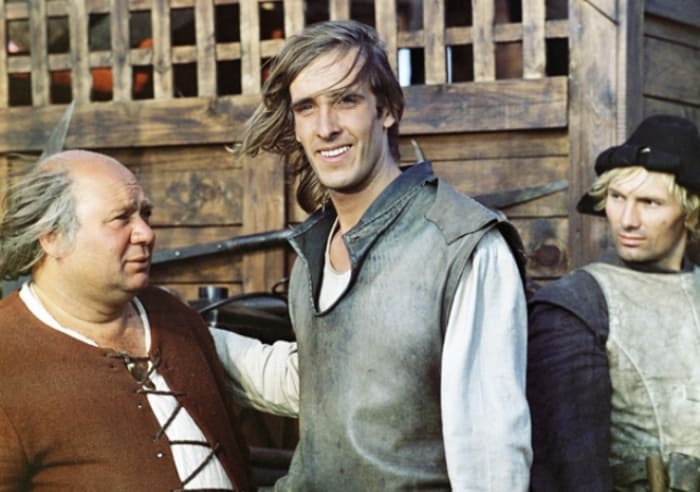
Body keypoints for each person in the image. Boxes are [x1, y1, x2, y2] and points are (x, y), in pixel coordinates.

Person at [237, 19, 531, 490]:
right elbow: (321, 384)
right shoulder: (314, 248)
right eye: (307, 107)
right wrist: (177, 331)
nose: (326, 127)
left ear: (388, 109)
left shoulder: (462, 243)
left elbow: (491, 454)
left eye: (345, 100)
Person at [0, 149, 255, 491]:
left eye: (145, 215)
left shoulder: (173, 316)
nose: (146, 234)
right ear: (52, 237)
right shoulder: (7, 355)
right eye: (121, 219)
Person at [527, 114, 700, 491]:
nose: (627, 220)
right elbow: (570, 471)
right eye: (618, 198)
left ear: (690, 212)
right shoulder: (577, 304)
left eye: (650, 202)